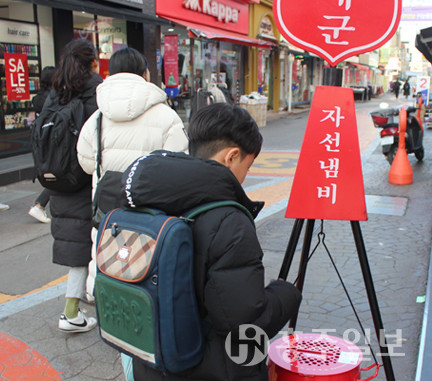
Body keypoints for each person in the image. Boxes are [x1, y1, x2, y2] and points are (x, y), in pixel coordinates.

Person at [128, 103, 302, 380]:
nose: (246, 176)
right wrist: (286, 294)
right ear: (232, 156)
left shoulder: (152, 197)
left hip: (154, 359)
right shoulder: (228, 222)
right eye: (248, 165)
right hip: (212, 368)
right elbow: (246, 326)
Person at [77, 46, 189, 303]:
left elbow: (85, 162)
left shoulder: (97, 118)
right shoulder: (166, 116)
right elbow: (179, 167)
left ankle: (110, 311)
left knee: (108, 262)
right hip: (151, 213)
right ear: (145, 75)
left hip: (108, 211)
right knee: (147, 273)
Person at [44, 39, 102, 333]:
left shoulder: (56, 91)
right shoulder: (96, 90)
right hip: (87, 179)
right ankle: (70, 313)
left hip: (58, 178)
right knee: (91, 247)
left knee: (77, 246)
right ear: (93, 62)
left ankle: (80, 302)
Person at [28, 66, 57, 224]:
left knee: (53, 174)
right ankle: (39, 205)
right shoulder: (52, 97)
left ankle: (40, 205)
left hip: (39, 141)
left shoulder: (37, 97)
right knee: (58, 174)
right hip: (52, 140)